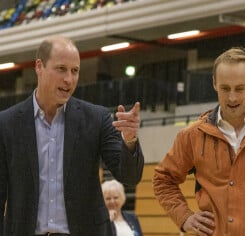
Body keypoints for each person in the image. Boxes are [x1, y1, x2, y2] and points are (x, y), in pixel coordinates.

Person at [0, 35, 144, 236]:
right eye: (61, 69)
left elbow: (129, 177)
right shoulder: (6, 124)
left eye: (75, 71)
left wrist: (129, 140)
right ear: (39, 67)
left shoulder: (97, 118)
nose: (69, 79)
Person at [153, 44, 245, 235]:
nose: (232, 97)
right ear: (214, 83)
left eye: (239, 88)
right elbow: (163, 179)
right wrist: (184, 216)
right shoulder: (191, 136)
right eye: (224, 88)